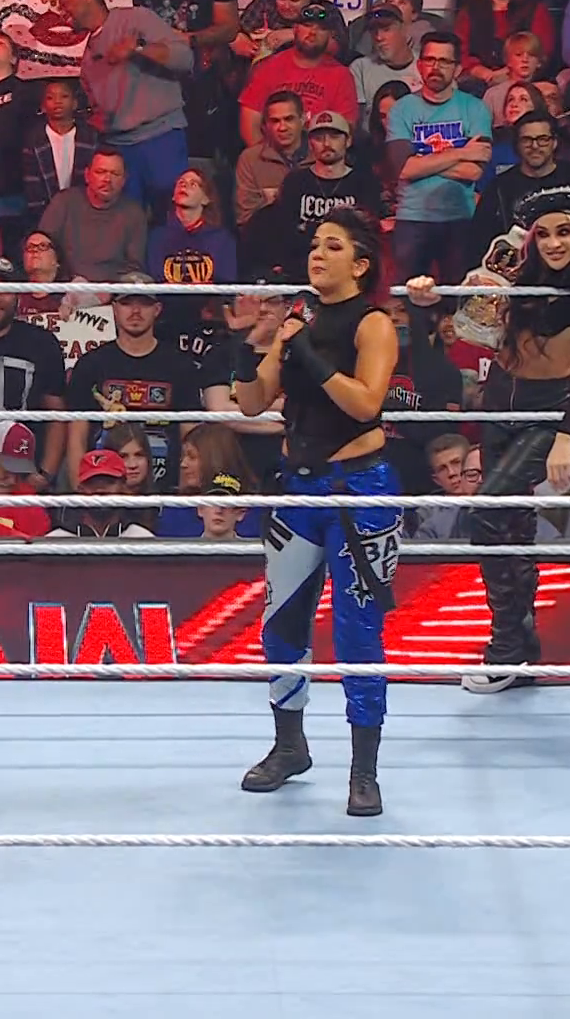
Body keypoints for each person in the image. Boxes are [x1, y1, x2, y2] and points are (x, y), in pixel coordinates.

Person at [231, 208, 401, 817]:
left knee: (358, 631)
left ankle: (364, 771)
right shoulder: (296, 319)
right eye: (315, 245)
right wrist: (256, 344)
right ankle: (289, 746)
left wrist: (304, 348)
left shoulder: (374, 324)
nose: (318, 254)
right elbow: (251, 404)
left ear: (359, 264)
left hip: (360, 488)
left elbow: (366, 404)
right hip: (298, 489)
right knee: (281, 624)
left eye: (333, 246)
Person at [413, 185, 570, 694]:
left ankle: (504, 649)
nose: (554, 243)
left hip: (545, 411)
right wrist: (430, 296)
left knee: (487, 511)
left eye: (564, 232)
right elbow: (472, 314)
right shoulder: (518, 267)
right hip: (499, 405)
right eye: (544, 234)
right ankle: (521, 648)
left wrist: (565, 436)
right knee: (514, 526)